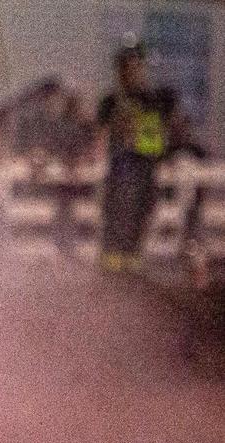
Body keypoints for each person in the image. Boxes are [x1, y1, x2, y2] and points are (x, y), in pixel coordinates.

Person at [97, 42, 176, 272]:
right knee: (116, 224)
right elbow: (101, 136)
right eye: (126, 66)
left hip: (145, 170)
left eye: (135, 65)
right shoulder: (111, 101)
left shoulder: (153, 100)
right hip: (121, 172)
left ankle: (131, 272)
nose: (131, 70)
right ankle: (111, 276)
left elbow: (160, 136)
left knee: (139, 221)